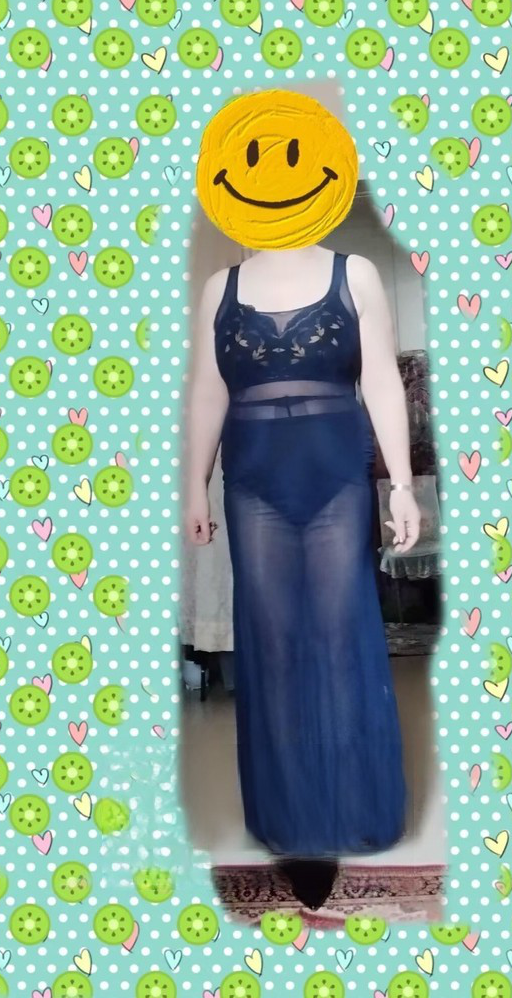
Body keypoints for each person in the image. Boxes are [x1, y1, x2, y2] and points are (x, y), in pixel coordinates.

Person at [182, 240, 421, 910]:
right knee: (276, 647)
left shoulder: (356, 274)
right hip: (253, 481)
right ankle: (295, 825)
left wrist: (402, 486)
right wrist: (195, 484)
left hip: (336, 478)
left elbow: (381, 380)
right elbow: (209, 389)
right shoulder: (220, 289)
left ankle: (350, 810)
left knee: (340, 640)